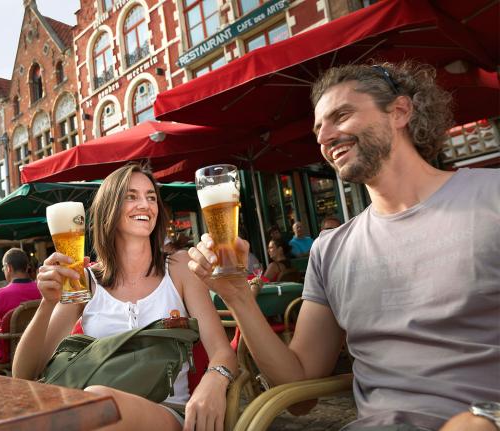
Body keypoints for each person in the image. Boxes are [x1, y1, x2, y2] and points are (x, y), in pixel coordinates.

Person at [188, 61, 500, 431]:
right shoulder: (331, 249)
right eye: (319, 128)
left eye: (342, 115)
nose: (324, 137)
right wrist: (237, 295)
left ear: (400, 111)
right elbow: (300, 394)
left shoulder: (490, 197)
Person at [14, 164, 237, 431]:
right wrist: (47, 303)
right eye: (131, 196)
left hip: (167, 413)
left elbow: (222, 351)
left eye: (151, 197)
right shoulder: (85, 281)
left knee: (96, 402)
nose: (145, 204)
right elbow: (25, 373)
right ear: (109, 209)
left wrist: (215, 379)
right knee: (91, 405)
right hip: (90, 415)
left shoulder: (179, 268)